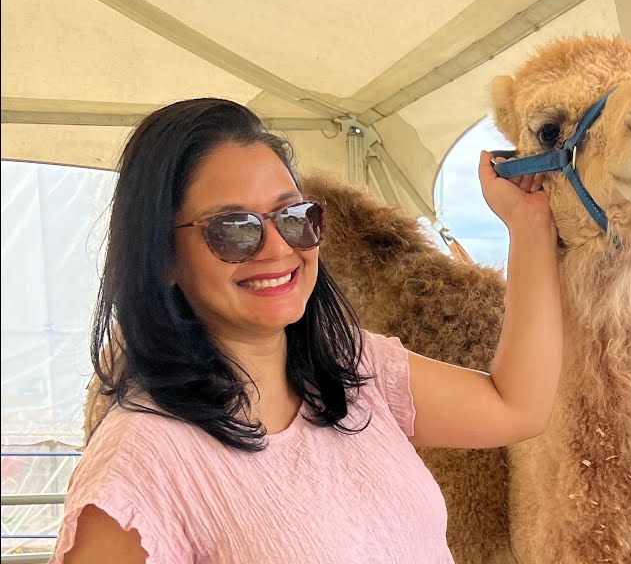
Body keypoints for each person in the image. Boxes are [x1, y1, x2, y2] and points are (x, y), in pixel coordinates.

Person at [53, 98, 563, 563]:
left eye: (295, 216)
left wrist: (529, 225)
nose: (277, 248)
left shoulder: (352, 370)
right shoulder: (138, 471)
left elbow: (514, 406)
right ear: (161, 254)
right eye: (233, 228)